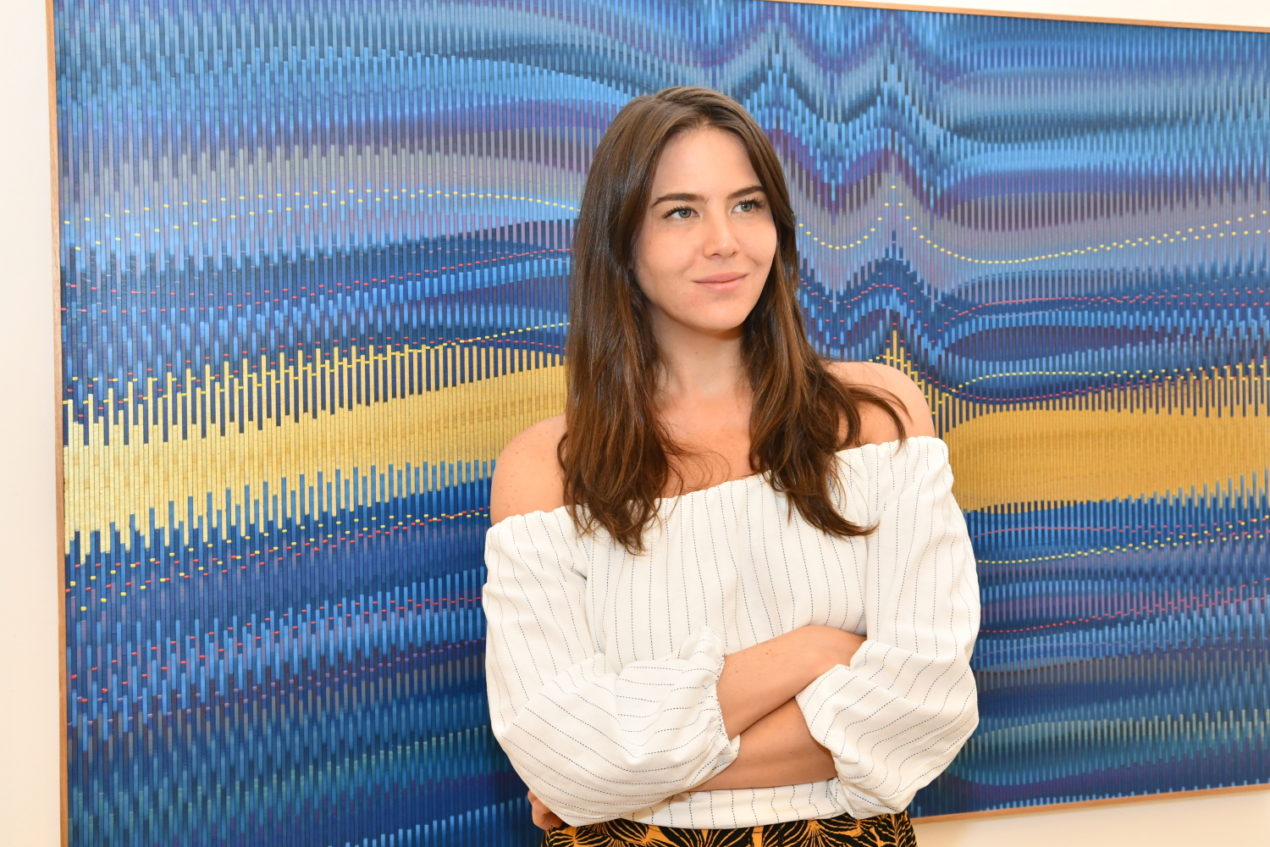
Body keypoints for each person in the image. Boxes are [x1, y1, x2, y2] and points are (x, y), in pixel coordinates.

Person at [482, 86, 979, 846]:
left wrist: (617, 772)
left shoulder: (876, 417)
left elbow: (926, 706)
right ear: (621, 239)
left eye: (747, 205)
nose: (724, 241)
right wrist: (810, 652)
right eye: (680, 212)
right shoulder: (547, 469)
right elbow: (560, 749)